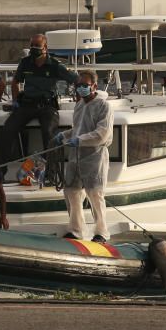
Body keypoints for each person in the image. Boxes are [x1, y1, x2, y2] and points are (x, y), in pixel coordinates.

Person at [0, 33, 78, 165]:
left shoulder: (55, 65)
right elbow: (15, 82)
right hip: (27, 105)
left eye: (37, 46)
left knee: (49, 133)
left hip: (47, 106)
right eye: (32, 45)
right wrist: (16, 101)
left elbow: (76, 80)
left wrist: (81, 100)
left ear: (45, 47)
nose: (34, 48)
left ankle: (52, 171)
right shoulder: (25, 62)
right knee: (8, 129)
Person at [57, 70, 114, 243]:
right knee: (72, 192)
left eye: (85, 85)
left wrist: (79, 140)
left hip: (94, 157)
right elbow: (77, 129)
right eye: (78, 85)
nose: (81, 89)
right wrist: (64, 136)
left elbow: (102, 134)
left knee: (95, 194)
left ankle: (101, 232)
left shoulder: (104, 106)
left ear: (94, 86)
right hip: (75, 156)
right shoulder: (79, 104)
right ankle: (76, 229)